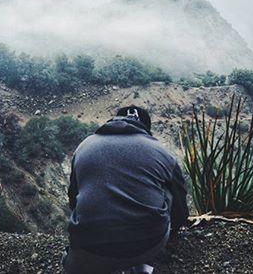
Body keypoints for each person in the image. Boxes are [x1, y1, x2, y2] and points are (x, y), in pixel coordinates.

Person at [63, 105, 189, 274]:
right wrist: (174, 230)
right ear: (145, 128)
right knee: (167, 190)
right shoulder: (161, 152)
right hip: (148, 244)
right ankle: (143, 264)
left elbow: (73, 199)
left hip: (90, 247)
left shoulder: (84, 146)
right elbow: (180, 204)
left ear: (114, 120)